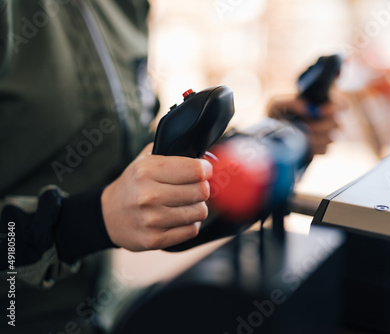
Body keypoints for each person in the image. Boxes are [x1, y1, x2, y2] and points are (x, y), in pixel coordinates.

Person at [0, 1, 339, 333]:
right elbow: (106, 211)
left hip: (96, 310)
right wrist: (88, 222)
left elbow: (133, 158)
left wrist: (277, 139)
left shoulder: (125, 7)